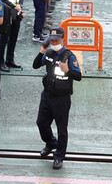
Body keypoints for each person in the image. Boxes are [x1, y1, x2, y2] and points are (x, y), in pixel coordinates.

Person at [33, 26, 82, 170]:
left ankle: (59, 156)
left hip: (62, 98)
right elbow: (36, 65)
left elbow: (78, 76)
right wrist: (41, 51)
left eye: (56, 41)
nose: (54, 43)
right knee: (41, 123)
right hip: (47, 95)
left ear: (63, 40)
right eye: (51, 41)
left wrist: (67, 71)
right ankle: (50, 143)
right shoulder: (48, 53)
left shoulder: (69, 56)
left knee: (62, 128)